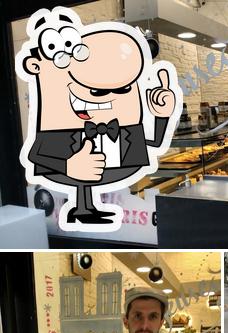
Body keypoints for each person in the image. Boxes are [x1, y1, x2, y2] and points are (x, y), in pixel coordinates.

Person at [16, 7, 181, 229]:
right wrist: (68, 166)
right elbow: (36, 155)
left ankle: (86, 208)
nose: (108, 98)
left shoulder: (126, 129)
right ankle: (83, 209)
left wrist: (162, 116)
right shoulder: (58, 132)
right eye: (96, 91)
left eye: (123, 90)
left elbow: (156, 143)